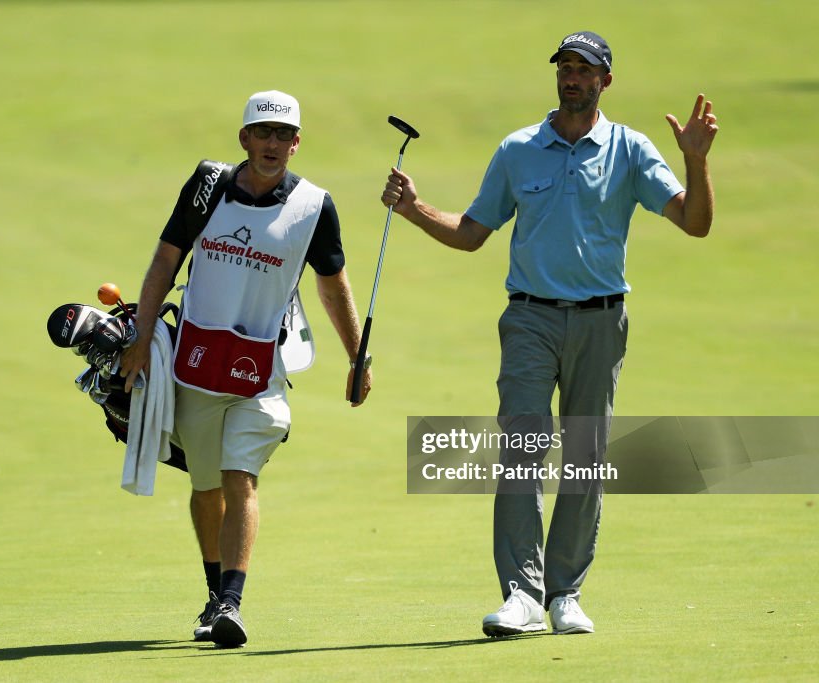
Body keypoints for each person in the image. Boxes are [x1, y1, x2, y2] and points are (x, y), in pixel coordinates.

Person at [382, 31, 717, 636]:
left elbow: (695, 224)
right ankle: (521, 595)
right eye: (564, 67)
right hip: (530, 317)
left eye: (584, 70)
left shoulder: (631, 150)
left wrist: (695, 159)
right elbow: (471, 232)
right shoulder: (518, 150)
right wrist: (414, 208)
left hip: (601, 320)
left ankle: (566, 595)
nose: (572, 78)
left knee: (586, 458)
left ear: (605, 81)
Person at [119, 90, 372, 648]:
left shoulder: (313, 206)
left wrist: (358, 357)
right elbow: (167, 257)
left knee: (241, 479)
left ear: (297, 142)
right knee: (207, 487)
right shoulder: (207, 186)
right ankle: (213, 596)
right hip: (196, 365)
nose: (274, 145)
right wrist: (140, 336)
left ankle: (232, 603)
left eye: (285, 135)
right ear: (245, 139)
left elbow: (333, 286)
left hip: (262, 370)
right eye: (264, 133)